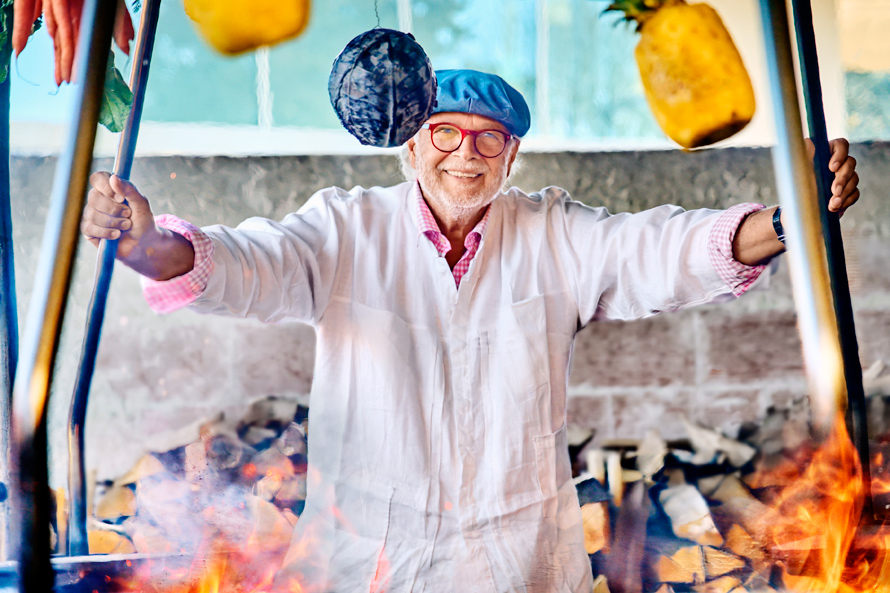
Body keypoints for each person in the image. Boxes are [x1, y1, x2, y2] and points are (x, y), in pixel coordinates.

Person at [81, 69, 860, 592]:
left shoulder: (555, 231)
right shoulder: (346, 229)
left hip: (518, 557)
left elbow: (662, 248)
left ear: (512, 154)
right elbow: (247, 264)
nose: (466, 153)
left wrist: (788, 219)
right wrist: (148, 246)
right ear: (414, 144)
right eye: (446, 134)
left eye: (489, 138)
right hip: (369, 560)